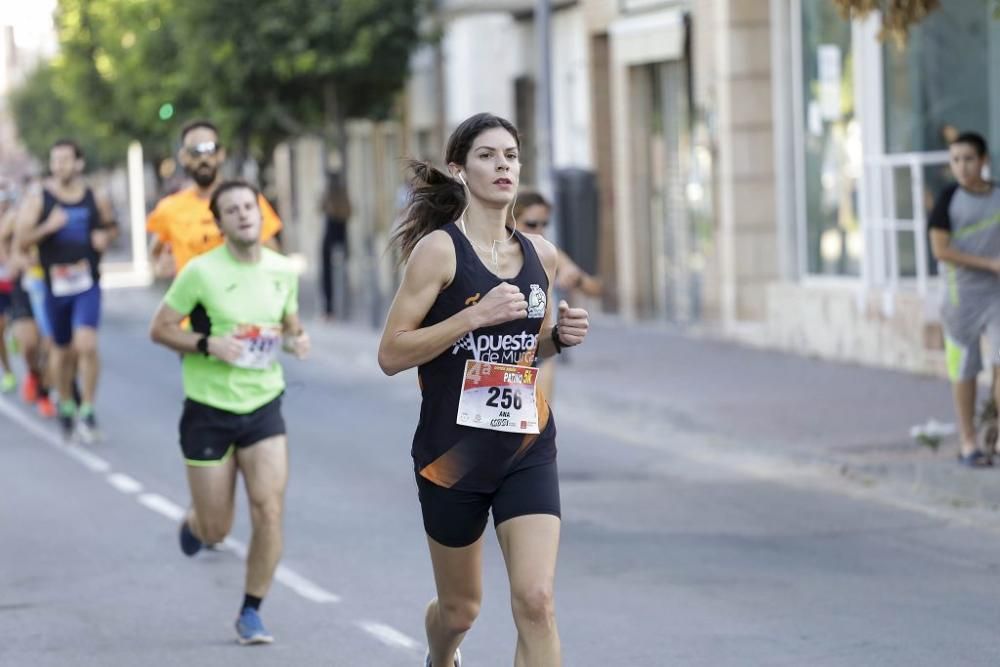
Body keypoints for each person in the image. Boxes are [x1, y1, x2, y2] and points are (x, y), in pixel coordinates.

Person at [378, 113, 590, 667]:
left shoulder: (540, 255)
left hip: (525, 444)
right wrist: (471, 319)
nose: (502, 166)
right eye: (487, 156)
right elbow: (391, 352)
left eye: (511, 156)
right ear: (459, 169)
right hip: (453, 454)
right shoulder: (440, 252)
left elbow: (529, 345)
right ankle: (440, 654)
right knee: (460, 610)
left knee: (537, 601)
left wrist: (557, 340)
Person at [149, 180, 309, 645]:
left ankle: (251, 611)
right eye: (232, 210)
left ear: (261, 215)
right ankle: (198, 522)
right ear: (219, 224)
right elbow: (159, 329)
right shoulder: (199, 273)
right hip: (208, 409)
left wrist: (298, 339)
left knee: (269, 510)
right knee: (217, 525)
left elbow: (289, 324)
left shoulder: (282, 270)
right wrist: (206, 343)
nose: (243, 215)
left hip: (263, 404)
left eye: (250, 206)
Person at [16, 140, 117, 441]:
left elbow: (111, 227)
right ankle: (67, 402)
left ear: (79, 163)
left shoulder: (93, 197)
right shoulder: (40, 199)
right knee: (61, 349)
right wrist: (48, 226)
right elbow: (21, 239)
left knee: (85, 344)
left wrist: (105, 237)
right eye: (55, 160)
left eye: (65, 160)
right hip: (55, 285)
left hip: (87, 283)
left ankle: (87, 407)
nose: (60, 166)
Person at [928, 131, 1000, 467]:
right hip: (960, 299)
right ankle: (968, 441)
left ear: (983, 161)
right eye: (955, 160)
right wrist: (989, 264)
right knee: (965, 371)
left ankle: (997, 437)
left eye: (968, 159)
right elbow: (940, 250)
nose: (962, 167)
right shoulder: (947, 200)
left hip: (997, 295)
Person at [147, 120, 283, 280]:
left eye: (210, 149)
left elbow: (274, 256)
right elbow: (154, 257)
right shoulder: (169, 208)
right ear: (183, 157)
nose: (204, 158)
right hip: (191, 301)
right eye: (195, 152)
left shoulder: (246, 200)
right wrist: (160, 270)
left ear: (221, 153)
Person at [513, 191, 603, 403]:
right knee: (495, 429)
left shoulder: (548, 252)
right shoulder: (492, 254)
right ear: (511, 220)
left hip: (539, 349)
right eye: (532, 224)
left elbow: (594, 288)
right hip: (498, 353)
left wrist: (576, 277)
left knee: (539, 424)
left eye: (545, 224)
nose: (540, 231)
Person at [319, 171, 352, 320]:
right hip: (342, 239)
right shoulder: (343, 198)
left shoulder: (329, 199)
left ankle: (329, 310)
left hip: (330, 240)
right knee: (342, 273)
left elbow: (320, 208)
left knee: (327, 275)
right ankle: (344, 306)